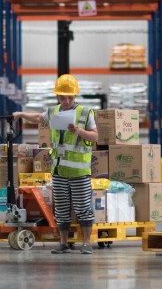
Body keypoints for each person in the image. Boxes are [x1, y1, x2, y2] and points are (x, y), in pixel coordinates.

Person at [13, 73, 99, 255]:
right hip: (59, 170)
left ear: (75, 96)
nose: (66, 100)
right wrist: (21, 114)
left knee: (83, 208)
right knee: (61, 208)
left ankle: (86, 242)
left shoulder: (85, 113)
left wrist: (78, 131)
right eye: (62, 97)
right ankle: (63, 243)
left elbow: (95, 137)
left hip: (79, 172)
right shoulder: (53, 112)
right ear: (57, 96)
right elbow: (38, 118)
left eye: (69, 97)